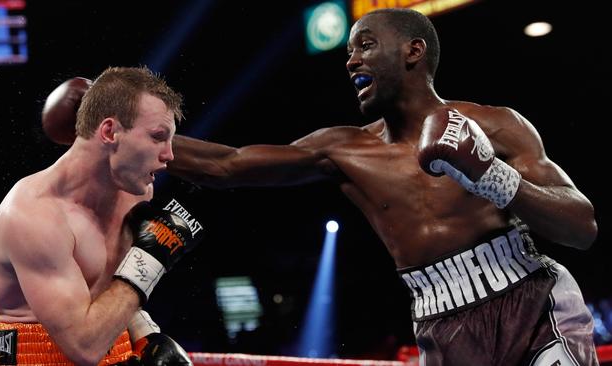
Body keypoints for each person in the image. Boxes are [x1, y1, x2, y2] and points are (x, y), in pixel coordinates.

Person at [47, 9, 599, 366]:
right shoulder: (345, 148)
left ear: (413, 51)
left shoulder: (497, 124)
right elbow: (229, 164)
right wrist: (119, 126)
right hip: (442, 326)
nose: (350, 58)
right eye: (351, 49)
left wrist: (488, 173)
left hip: (534, 307)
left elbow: (581, 225)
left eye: (364, 45)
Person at [0, 66, 202, 366]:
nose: (170, 155)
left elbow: (105, 287)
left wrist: (145, 333)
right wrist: (150, 262)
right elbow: (84, 347)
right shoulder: (32, 215)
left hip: (115, 351)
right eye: (157, 137)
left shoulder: (134, 193)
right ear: (110, 131)